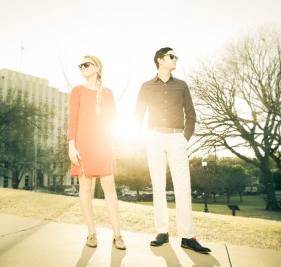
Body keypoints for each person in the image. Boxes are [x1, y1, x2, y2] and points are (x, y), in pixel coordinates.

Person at [134, 47, 211, 254]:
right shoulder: (146, 86)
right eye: (171, 56)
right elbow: (138, 115)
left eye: (176, 57)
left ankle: (187, 236)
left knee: (183, 187)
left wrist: (184, 138)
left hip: (177, 137)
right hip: (154, 138)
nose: (176, 59)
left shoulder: (182, 85)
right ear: (160, 60)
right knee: (158, 186)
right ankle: (162, 232)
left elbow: (191, 114)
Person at [67, 55, 126, 250]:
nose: (82, 67)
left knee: (109, 185)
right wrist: (71, 145)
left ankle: (117, 235)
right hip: (82, 145)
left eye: (86, 64)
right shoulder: (77, 91)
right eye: (80, 65)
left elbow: (113, 120)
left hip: (103, 144)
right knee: (85, 188)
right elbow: (73, 119)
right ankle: (91, 233)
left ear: (97, 68)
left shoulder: (107, 93)